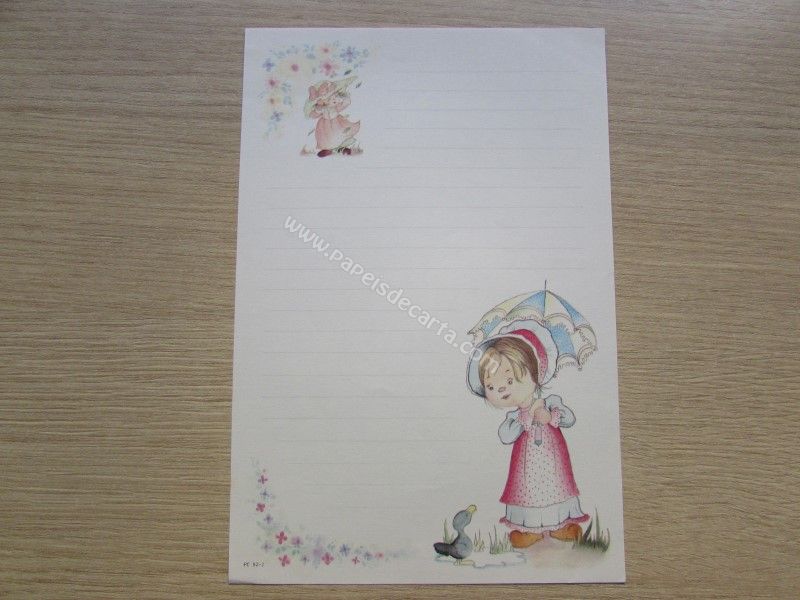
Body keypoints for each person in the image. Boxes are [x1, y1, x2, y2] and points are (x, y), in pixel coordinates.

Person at [473, 331, 589, 548]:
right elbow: (505, 436)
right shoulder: (514, 417)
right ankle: (530, 528)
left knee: (556, 486)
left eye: (509, 380)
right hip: (526, 467)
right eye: (492, 387)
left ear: (534, 372)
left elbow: (570, 419)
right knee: (528, 491)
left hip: (553, 462)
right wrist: (524, 418)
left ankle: (560, 524)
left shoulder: (550, 402)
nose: (502, 389)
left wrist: (550, 416)